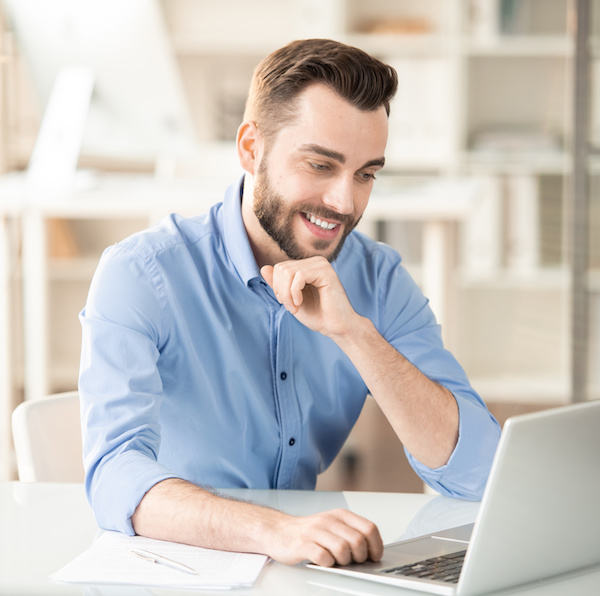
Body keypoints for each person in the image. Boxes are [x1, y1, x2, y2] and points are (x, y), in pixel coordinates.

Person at [79, 38, 501, 568]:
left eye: (366, 173)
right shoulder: (142, 274)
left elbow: (480, 472)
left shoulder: (379, 278)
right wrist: (274, 532)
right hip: (174, 564)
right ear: (251, 148)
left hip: (298, 570)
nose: (345, 203)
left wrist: (355, 334)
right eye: (320, 165)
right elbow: (116, 475)